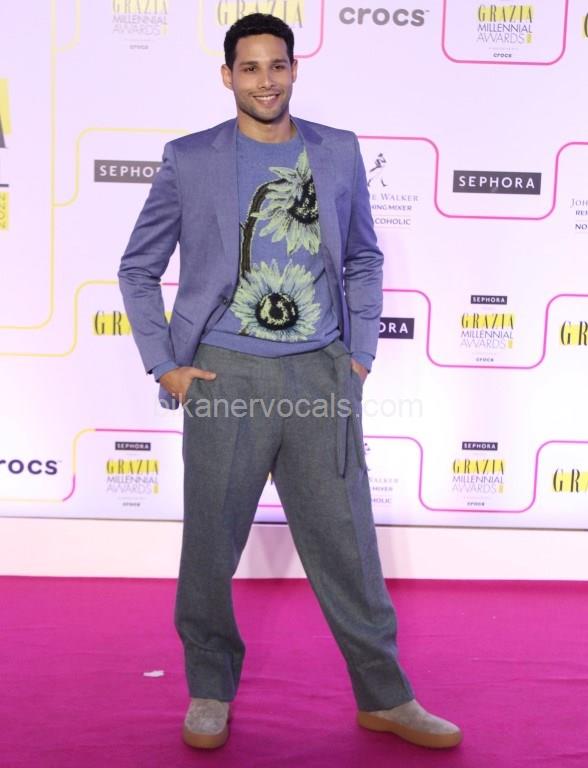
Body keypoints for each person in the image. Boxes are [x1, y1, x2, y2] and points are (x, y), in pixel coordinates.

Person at [118, 12, 462, 752]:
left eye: (277, 65)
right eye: (249, 68)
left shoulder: (337, 150)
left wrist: (358, 354)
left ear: (295, 69)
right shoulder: (190, 159)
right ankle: (210, 689)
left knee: (348, 545)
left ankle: (386, 697)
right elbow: (137, 267)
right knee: (210, 546)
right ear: (227, 76)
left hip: (319, 373)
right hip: (226, 374)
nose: (265, 81)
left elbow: (363, 257)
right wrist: (166, 365)